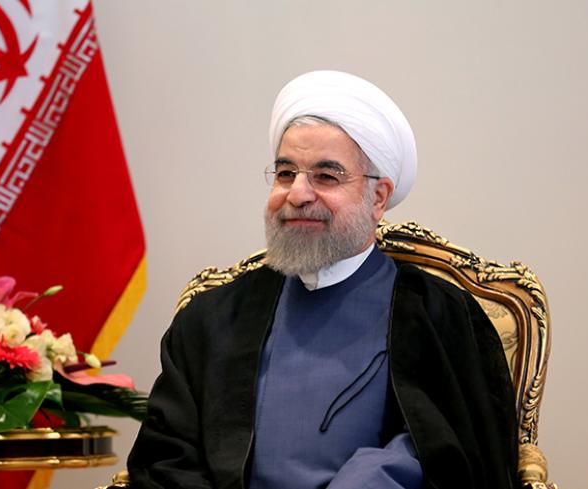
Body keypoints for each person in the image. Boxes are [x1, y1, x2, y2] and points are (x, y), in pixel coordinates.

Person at [127, 71, 518, 489]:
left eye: (326, 177)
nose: (298, 194)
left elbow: (459, 449)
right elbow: (165, 455)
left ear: (379, 197)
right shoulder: (213, 318)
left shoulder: (439, 314)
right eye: (285, 173)